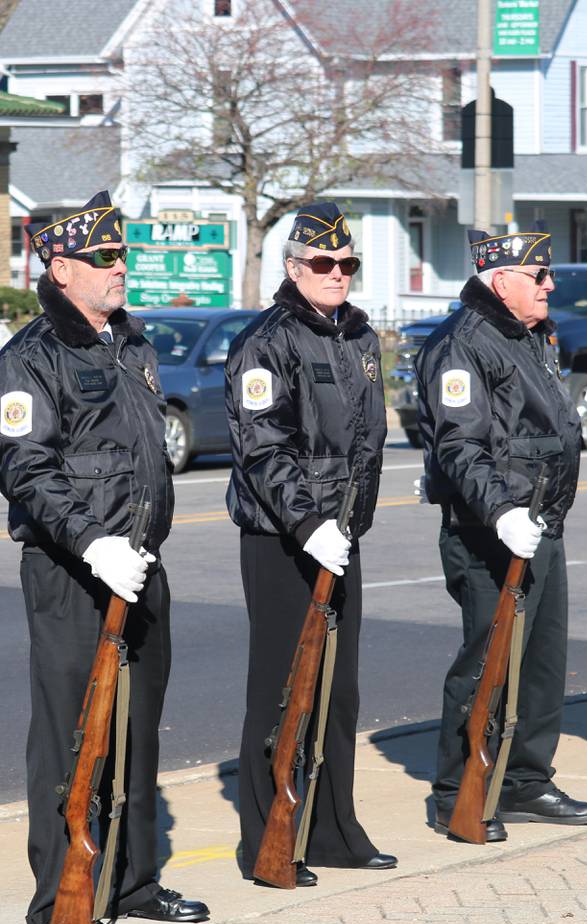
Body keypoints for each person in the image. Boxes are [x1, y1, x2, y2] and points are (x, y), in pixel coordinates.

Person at [0, 190, 208, 924]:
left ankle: (134, 879)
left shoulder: (130, 344)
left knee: (137, 730)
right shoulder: (30, 358)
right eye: (105, 258)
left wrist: (131, 548)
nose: (121, 268)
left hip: (140, 565)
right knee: (71, 735)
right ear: (60, 266)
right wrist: (91, 543)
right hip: (73, 572)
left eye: (123, 255)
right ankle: (60, 895)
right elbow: (28, 469)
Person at [226, 202, 395, 886]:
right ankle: (266, 838)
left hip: (341, 535)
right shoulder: (265, 342)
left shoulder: (359, 339)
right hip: (282, 540)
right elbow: (263, 448)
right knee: (278, 690)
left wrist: (346, 522)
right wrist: (307, 522)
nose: (336, 275)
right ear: (294, 268)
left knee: (339, 693)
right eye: (323, 264)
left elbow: (367, 443)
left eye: (346, 264)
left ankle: (331, 830)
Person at [417, 227, 587, 841]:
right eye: (538, 275)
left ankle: (525, 780)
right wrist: (502, 513)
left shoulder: (523, 335)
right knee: (486, 662)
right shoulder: (463, 344)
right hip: (491, 529)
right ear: (500, 281)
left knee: (542, 661)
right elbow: (461, 444)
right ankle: (455, 791)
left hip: (540, 523)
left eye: (549, 273)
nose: (551, 284)